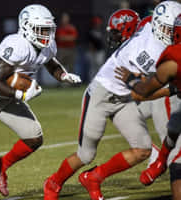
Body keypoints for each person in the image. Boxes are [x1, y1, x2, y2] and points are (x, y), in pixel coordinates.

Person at [43, 1, 181, 200]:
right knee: (86, 154)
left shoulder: (151, 24)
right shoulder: (153, 51)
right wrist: (174, 89)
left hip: (123, 96)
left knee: (142, 149)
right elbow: (142, 92)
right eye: (170, 29)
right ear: (160, 26)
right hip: (103, 93)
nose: (173, 33)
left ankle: (94, 178)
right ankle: (53, 183)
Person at [0, 4, 81, 200]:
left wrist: (63, 75)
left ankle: (0, 166)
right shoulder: (17, 44)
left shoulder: (47, 45)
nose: (47, 35)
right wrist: (21, 96)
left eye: (49, 30)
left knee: (34, 138)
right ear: (26, 27)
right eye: (41, 30)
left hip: (9, 96)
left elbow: (50, 62)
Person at [115, 13, 181, 200]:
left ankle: (162, 160)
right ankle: (159, 160)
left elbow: (146, 90)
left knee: (177, 159)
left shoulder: (173, 55)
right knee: (174, 128)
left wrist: (132, 82)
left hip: (165, 95)